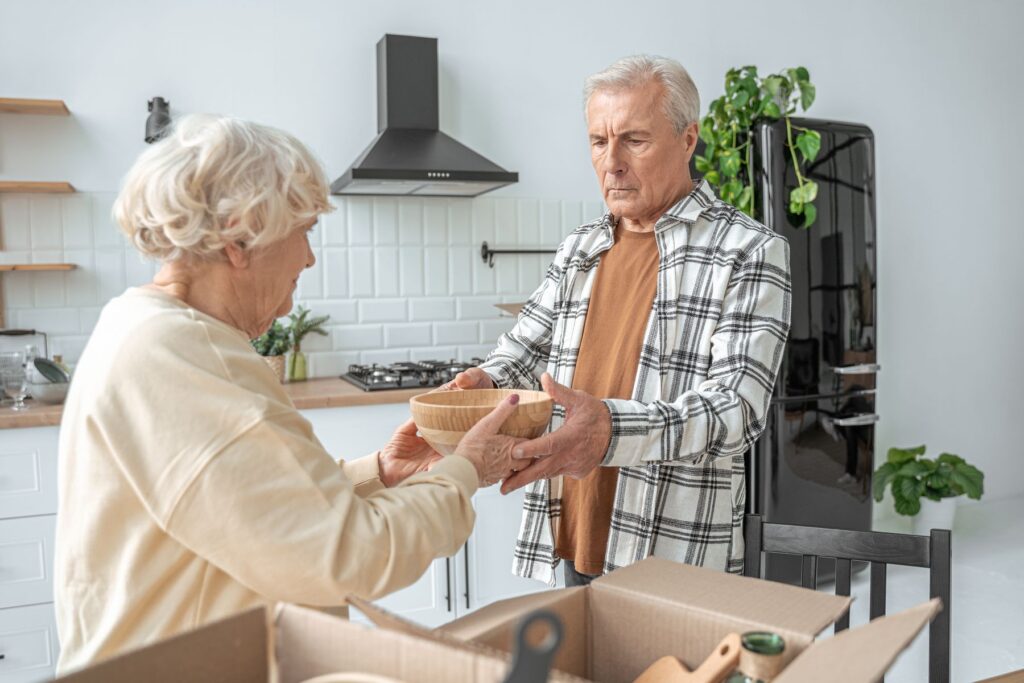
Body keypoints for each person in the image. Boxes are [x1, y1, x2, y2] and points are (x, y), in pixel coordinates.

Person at [53, 114, 522, 673]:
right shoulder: (184, 356)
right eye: (303, 231)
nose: (308, 258)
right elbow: (349, 557)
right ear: (238, 239)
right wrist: (464, 470)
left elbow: (249, 509)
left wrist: (380, 472)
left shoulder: (145, 327)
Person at [453, 55, 792, 586]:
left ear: (687, 140)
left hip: (675, 547)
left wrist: (612, 430)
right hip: (578, 525)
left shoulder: (748, 251)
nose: (611, 162)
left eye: (634, 140)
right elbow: (523, 351)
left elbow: (737, 410)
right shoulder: (581, 247)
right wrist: (483, 383)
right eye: (597, 141)